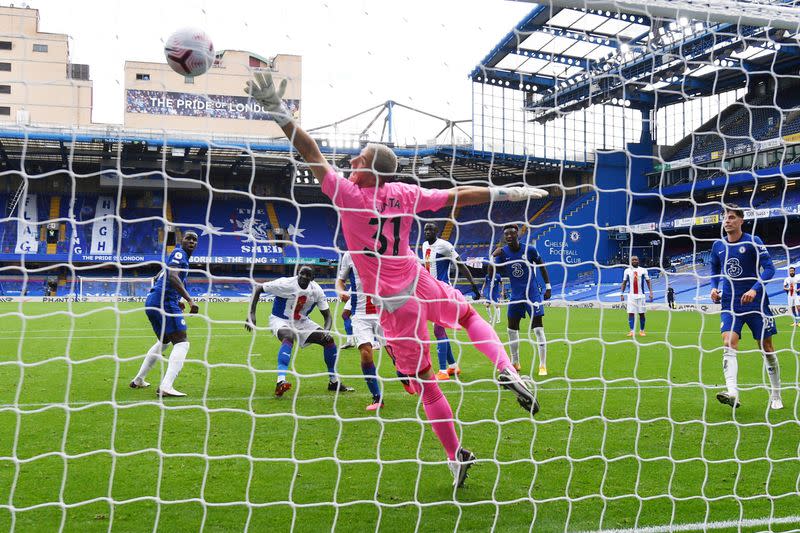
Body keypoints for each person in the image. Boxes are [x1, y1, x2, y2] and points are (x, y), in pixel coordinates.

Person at [245, 71, 542, 488]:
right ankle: (506, 366)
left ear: (371, 173)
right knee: (470, 317)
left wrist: (278, 111)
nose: (351, 162)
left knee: (425, 385)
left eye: (358, 160)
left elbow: (310, 152)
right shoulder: (405, 192)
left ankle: (456, 455)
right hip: (419, 280)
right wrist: (507, 194)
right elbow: (457, 195)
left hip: (394, 302)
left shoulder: (348, 196)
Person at [710, 205, 782, 410]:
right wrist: (714, 288)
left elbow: (770, 269)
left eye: (731, 218)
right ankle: (732, 392)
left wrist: (754, 289)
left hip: (756, 304)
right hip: (731, 303)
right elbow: (714, 268)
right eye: (725, 218)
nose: (727, 221)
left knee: (766, 347)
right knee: (728, 342)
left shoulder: (753, 241)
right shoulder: (718, 245)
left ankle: (776, 394)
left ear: (741, 220)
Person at [246, 265, 354, 397]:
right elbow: (258, 288)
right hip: (280, 319)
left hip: (303, 322)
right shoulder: (284, 283)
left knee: (329, 341)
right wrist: (251, 313)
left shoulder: (317, 291)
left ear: (313, 278)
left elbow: (328, 317)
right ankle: (280, 381)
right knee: (289, 336)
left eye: (308, 275)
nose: (304, 277)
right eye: (302, 273)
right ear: (298, 273)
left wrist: (326, 331)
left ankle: (333, 381)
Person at [131, 231, 199, 397]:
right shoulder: (178, 253)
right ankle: (166, 386)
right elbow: (172, 276)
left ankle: (139, 379)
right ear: (180, 240)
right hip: (164, 302)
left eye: (194, 239)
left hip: (154, 301)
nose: (191, 241)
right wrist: (189, 300)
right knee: (182, 343)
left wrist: (176, 300)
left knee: (165, 341)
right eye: (188, 238)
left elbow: (160, 278)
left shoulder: (179, 258)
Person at [421, 222, 481, 380]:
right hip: (429, 292)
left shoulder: (445, 246)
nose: (427, 231)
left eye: (431, 229)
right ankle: (453, 366)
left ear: (437, 231)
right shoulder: (424, 245)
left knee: (438, 330)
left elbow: (461, 265)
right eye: (426, 229)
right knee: (439, 330)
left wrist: (474, 286)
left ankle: (442, 371)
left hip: (442, 291)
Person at [492, 225, 551, 376]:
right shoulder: (503, 253)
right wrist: (493, 256)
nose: (509, 236)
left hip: (532, 294)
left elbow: (542, 265)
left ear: (517, 234)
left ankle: (542, 365)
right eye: (506, 234)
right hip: (516, 295)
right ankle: (515, 362)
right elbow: (491, 270)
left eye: (512, 233)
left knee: (538, 329)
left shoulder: (529, 250)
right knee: (511, 329)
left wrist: (548, 286)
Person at [336, 250, 385, 410]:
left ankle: (402, 375)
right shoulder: (349, 255)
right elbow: (340, 280)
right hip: (360, 314)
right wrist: (341, 291)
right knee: (365, 353)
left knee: (395, 352)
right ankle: (377, 398)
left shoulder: (384, 249)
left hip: (383, 309)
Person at [620, 256, 654, 337]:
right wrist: (621, 293)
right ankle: (632, 331)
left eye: (636, 260)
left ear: (638, 261)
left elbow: (648, 281)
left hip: (641, 295)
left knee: (641, 313)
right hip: (631, 296)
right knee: (631, 313)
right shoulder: (627, 271)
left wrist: (651, 292)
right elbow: (624, 283)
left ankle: (642, 330)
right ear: (630, 261)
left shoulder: (643, 270)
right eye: (633, 260)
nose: (634, 261)